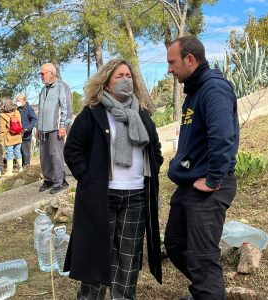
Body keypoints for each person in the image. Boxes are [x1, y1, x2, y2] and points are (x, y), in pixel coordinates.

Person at [63, 59, 163, 300]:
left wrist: (153, 167)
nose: (126, 79)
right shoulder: (92, 113)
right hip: (101, 196)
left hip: (136, 196)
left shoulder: (141, 114)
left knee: (129, 255)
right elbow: (73, 149)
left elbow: (155, 148)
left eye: (128, 75)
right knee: (97, 253)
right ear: (106, 83)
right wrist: (88, 177)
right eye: (119, 76)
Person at [164, 36, 239, 300]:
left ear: (190, 59)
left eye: (172, 63)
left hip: (208, 186)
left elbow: (222, 138)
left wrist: (213, 180)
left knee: (202, 258)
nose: (169, 69)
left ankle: (207, 291)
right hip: (189, 185)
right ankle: (204, 292)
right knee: (175, 244)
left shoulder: (213, 89)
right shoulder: (196, 91)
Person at [37, 63, 69, 194]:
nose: (41, 76)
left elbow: (66, 108)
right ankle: (49, 179)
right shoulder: (43, 90)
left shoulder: (62, 86)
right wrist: (38, 128)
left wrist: (63, 126)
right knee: (44, 156)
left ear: (51, 73)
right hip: (43, 129)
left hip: (56, 128)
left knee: (56, 155)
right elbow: (41, 110)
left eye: (42, 73)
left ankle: (59, 182)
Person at [0, 99, 23, 176]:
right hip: (18, 136)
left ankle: (9, 172)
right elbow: (20, 124)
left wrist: (0, 139)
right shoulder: (17, 112)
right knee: (18, 152)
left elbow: (2, 129)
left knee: (9, 154)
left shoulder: (3, 116)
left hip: (9, 137)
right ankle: (20, 168)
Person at [16, 95, 37, 167]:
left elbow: (34, 119)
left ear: (23, 101)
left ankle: (26, 166)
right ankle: (21, 166)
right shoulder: (17, 109)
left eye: (18, 100)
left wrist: (28, 128)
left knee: (26, 151)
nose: (17, 102)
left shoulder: (29, 109)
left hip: (26, 134)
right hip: (18, 134)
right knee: (19, 151)